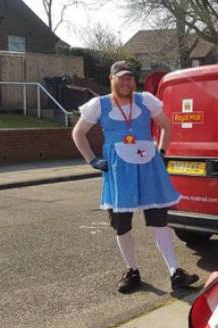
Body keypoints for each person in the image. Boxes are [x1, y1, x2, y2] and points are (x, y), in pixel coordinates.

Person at [71, 61, 199, 293]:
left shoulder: (145, 100)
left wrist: (161, 152)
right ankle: (132, 271)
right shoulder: (98, 105)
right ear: (111, 79)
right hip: (119, 171)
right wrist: (92, 160)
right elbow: (78, 133)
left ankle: (175, 272)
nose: (126, 82)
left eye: (129, 77)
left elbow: (166, 126)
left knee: (159, 219)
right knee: (122, 224)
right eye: (121, 77)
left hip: (149, 167)